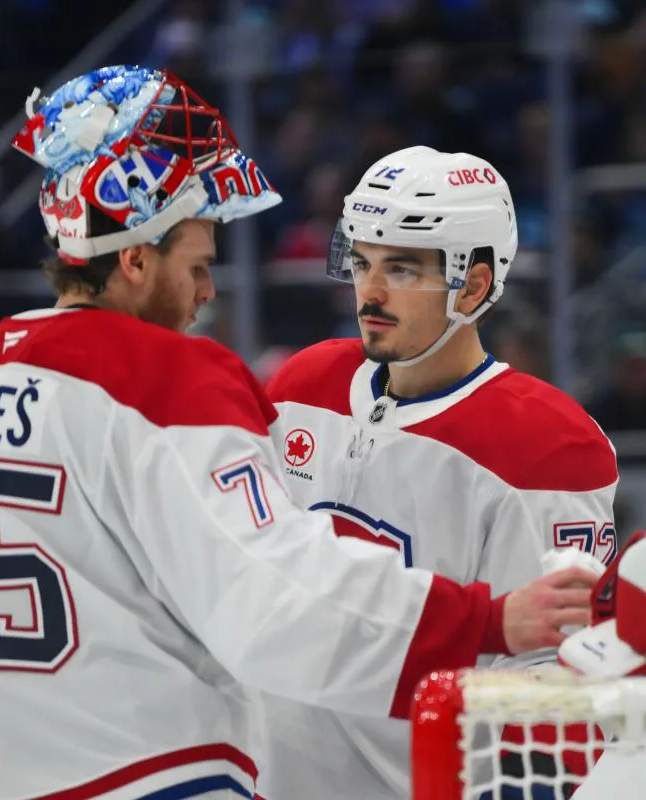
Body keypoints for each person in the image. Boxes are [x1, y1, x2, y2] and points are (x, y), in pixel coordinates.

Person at [0, 67, 598, 800]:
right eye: (196, 261)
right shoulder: (168, 380)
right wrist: (487, 621)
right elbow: (274, 597)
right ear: (137, 260)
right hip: (141, 778)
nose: (207, 290)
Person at [257, 145, 619, 800]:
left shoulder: (547, 446)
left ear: (474, 285)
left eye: (400, 268)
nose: (369, 290)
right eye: (362, 262)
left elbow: (549, 689)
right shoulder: (303, 386)